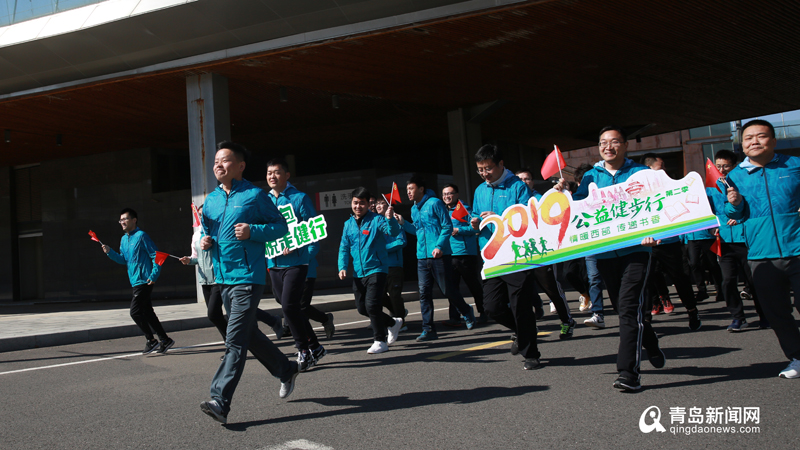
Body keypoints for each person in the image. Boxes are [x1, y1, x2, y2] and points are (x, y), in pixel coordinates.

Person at [554, 126, 666, 390]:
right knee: (623, 308)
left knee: (628, 309)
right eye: (603, 142)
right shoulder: (591, 176)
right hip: (605, 252)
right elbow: (578, 209)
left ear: (625, 145)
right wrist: (563, 193)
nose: (608, 147)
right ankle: (650, 342)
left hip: (637, 250)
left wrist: (656, 232)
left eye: (614, 142)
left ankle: (628, 373)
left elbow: (659, 203)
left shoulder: (641, 173)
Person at [199, 141, 299, 424]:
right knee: (248, 335)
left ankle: (220, 400)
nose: (218, 165)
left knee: (234, 340)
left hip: (247, 277)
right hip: (223, 278)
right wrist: (206, 241)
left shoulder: (254, 196)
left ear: (240, 166)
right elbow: (207, 229)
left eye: (224, 160)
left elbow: (280, 226)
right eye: (215, 161)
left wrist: (252, 231)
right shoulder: (211, 200)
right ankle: (286, 369)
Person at [724, 119, 800, 379]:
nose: (754, 141)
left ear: (773, 141)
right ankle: (797, 357)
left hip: (797, 247)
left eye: (761, 136)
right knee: (777, 312)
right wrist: (734, 204)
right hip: (760, 254)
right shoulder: (734, 176)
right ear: (742, 145)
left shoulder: (794, 165)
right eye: (748, 138)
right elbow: (735, 214)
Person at [471, 145, 541, 370]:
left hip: (517, 254)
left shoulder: (517, 187)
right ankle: (521, 332)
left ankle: (531, 354)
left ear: (501, 164)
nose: (484, 174)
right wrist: (474, 222)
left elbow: (528, 217)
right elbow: (475, 214)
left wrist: (499, 217)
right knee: (492, 307)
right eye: (480, 170)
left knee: (521, 306)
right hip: (492, 256)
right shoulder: (480, 190)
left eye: (488, 168)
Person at [265, 158, 328, 371]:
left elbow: (315, 230)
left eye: (277, 172)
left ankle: (303, 351)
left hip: (297, 262)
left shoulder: (299, 198)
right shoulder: (264, 200)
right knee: (289, 306)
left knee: (289, 306)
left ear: (287, 175)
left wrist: (299, 247)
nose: (272, 176)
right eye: (269, 173)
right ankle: (316, 347)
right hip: (274, 263)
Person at [398, 175, 477, 341]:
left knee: (447, 289)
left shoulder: (435, 203)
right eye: (407, 190)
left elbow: (447, 226)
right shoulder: (414, 209)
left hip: (440, 255)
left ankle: (466, 310)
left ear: (421, 189)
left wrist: (439, 246)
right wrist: (403, 223)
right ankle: (428, 329)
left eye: (411, 189)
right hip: (422, 256)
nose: (408, 193)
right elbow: (417, 231)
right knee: (424, 293)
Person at [338, 187, 404, 353]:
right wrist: (342, 267)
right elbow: (344, 247)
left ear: (368, 204)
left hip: (377, 269)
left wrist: (390, 219)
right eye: (355, 203)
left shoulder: (377, 220)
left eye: (362, 203)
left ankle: (380, 341)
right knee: (362, 308)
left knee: (372, 305)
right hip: (358, 273)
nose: (358, 206)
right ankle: (392, 323)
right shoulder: (348, 224)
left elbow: (393, 232)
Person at [708, 149, 768, 331]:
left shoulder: (744, 182)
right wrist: (712, 227)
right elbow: (707, 213)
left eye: (726, 166)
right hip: (724, 241)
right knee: (728, 281)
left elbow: (755, 208)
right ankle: (738, 317)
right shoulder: (710, 187)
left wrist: (739, 218)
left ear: (734, 166)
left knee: (753, 281)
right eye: (718, 166)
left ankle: (764, 315)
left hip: (746, 240)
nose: (721, 170)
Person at [514, 168, 576, 338]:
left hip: (542, 250)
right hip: (520, 251)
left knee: (551, 287)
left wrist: (559, 190)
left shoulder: (540, 198)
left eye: (527, 179)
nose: (523, 182)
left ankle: (567, 321)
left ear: (532, 182)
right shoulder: (513, 201)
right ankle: (527, 327)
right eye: (520, 179)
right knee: (521, 291)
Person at [102, 208, 174, 355]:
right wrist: (110, 252)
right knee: (147, 312)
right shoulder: (124, 239)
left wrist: (153, 275)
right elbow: (123, 259)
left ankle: (151, 340)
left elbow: (156, 255)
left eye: (125, 219)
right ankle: (165, 339)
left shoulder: (141, 236)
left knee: (135, 312)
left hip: (145, 280)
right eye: (120, 220)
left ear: (134, 220)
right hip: (134, 280)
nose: (122, 222)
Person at [442, 184, 487, 324]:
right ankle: (454, 317)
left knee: (473, 285)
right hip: (449, 254)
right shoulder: (442, 210)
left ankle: (484, 312)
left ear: (456, 194)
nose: (447, 197)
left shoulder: (465, 209)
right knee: (452, 288)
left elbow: (475, 229)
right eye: (444, 194)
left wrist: (459, 230)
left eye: (450, 193)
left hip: (465, 254)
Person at [375, 197, 408, 324]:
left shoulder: (395, 221)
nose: (378, 206)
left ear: (388, 206)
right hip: (380, 266)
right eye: (377, 203)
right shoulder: (375, 222)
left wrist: (383, 249)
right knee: (380, 295)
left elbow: (401, 241)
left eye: (382, 203)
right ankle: (399, 312)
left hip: (394, 265)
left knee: (394, 295)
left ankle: (400, 321)